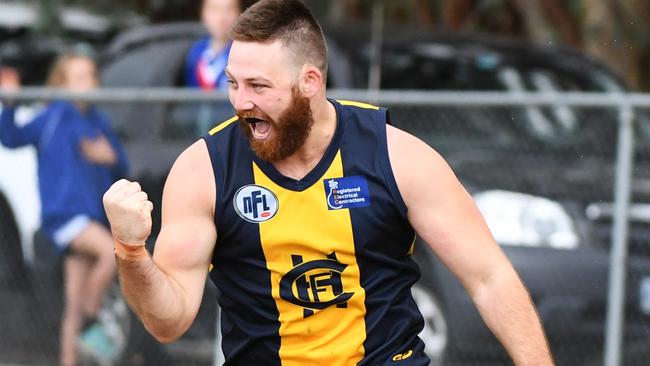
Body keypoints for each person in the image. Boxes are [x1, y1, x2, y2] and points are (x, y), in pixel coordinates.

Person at [103, 0, 554, 365]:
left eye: (259, 86)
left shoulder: (395, 156)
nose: (241, 102)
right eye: (233, 83)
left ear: (310, 82)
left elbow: (490, 277)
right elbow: (169, 321)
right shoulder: (204, 169)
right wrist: (131, 251)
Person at [0, 53, 129, 366]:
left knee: (70, 305)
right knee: (114, 250)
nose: (88, 83)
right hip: (65, 217)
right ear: (63, 83)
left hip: (92, 217)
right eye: (79, 77)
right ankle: (92, 308)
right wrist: (10, 103)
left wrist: (107, 157)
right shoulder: (54, 115)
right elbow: (12, 137)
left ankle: (69, 357)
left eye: (91, 76)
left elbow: (120, 162)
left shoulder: (97, 120)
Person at [184, 0, 242, 90]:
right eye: (215, 9)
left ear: (239, 13)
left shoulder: (243, 53)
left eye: (229, 9)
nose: (222, 18)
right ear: (203, 13)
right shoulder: (195, 51)